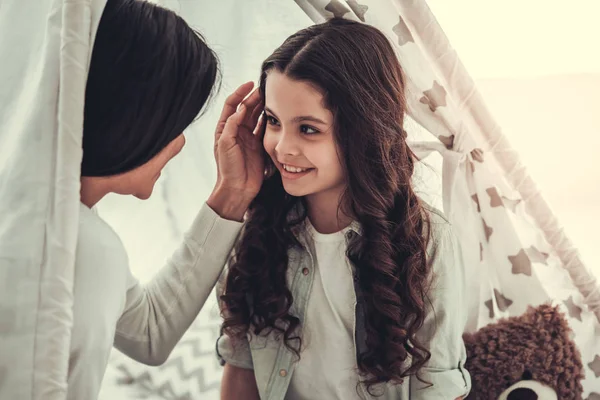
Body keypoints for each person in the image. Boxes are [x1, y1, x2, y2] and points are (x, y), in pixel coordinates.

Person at [216, 18, 471, 400]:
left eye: (308, 128)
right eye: (272, 121)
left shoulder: (427, 240)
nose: (283, 147)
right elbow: (241, 366)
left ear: (364, 131)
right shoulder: (256, 229)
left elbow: (437, 384)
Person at [68, 0, 264, 398]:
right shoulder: (83, 244)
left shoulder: (73, 230)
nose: (178, 145)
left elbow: (149, 334)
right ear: (136, 119)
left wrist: (233, 192)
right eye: (176, 125)